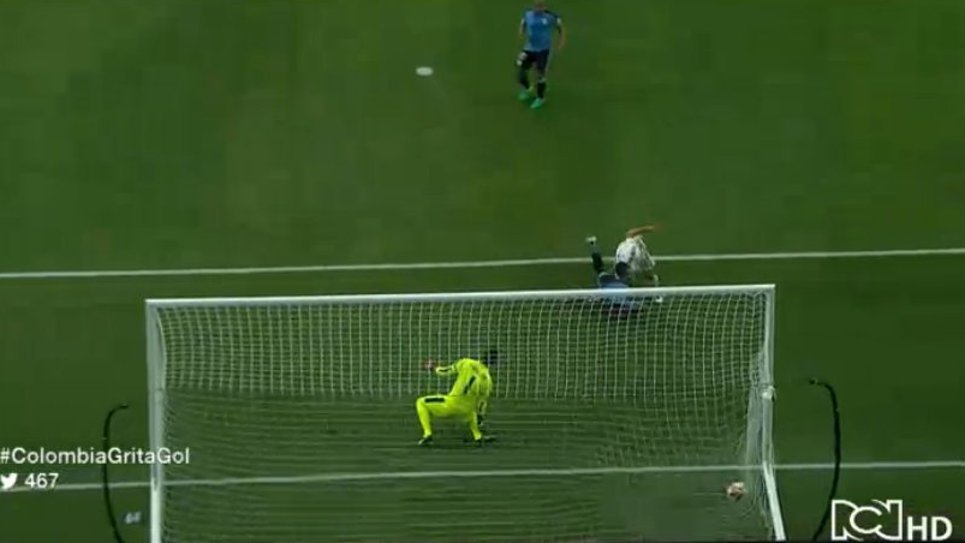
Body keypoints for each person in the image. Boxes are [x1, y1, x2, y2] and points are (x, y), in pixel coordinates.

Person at [415, 350, 497, 446]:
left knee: (420, 402)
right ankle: (477, 436)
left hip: (451, 404)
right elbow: (482, 403)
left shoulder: (467, 363)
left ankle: (427, 434)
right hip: (466, 411)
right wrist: (480, 417)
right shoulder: (488, 382)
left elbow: (446, 371)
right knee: (472, 412)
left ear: (483, 356)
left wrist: (433, 367)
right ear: (494, 365)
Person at [517, 1, 566, 109]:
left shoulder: (550, 17)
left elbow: (560, 27)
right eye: (536, 6)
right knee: (520, 70)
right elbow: (523, 22)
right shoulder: (528, 14)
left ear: (544, 7)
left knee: (540, 74)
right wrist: (521, 30)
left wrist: (561, 40)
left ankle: (540, 98)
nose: (538, 9)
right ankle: (527, 89)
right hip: (528, 48)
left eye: (541, 6)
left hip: (543, 50)